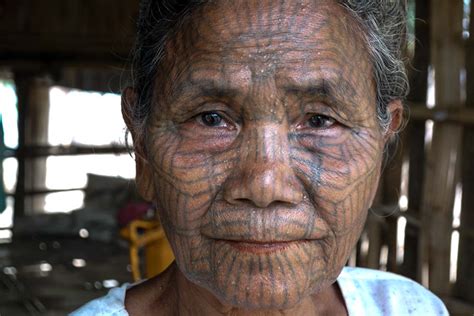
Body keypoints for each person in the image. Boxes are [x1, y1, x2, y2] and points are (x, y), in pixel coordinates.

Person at [72, 0, 449, 315]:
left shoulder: (410, 308)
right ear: (143, 147)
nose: (265, 186)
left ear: (382, 144)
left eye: (319, 120)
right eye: (211, 119)